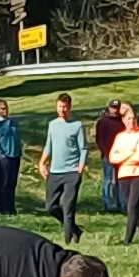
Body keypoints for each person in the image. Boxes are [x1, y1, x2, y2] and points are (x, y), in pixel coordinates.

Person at [42, 94, 91, 243]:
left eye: (65, 107)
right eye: (60, 106)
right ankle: (75, 229)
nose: (62, 110)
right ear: (56, 107)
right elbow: (48, 145)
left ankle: (68, 240)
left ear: (70, 107)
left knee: (68, 207)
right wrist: (42, 162)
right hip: (55, 172)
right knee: (50, 206)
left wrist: (80, 168)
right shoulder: (53, 124)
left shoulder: (77, 125)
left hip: (72, 171)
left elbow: (83, 148)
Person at [107, 107, 139, 245]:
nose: (132, 121)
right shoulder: (120, 137)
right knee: (133, 208)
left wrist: (123, 156)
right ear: (123, 120)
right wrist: (130, 152)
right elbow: (112, 157)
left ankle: (127, 239)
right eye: (129, 118)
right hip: (123, 175)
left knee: (132, 206)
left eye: (134, 118)